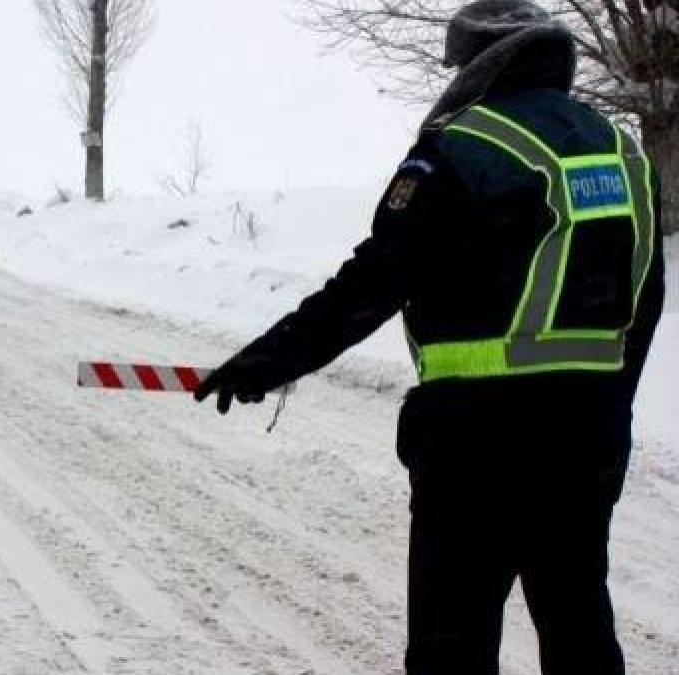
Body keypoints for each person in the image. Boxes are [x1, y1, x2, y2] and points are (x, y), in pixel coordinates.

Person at [193, 1, 665, 673]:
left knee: (453, 645)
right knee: (579, 631)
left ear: (481, 63)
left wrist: (263, 363)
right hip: (587, 442)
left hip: (476, 444)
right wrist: (606, 409)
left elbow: (371, 284)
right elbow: (643, 302)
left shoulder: (461, 146)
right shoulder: (622, 152)